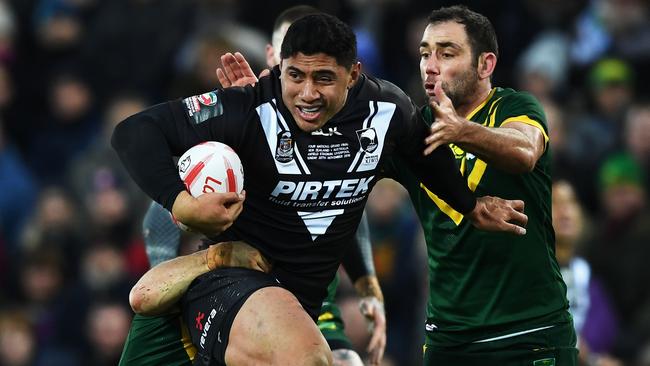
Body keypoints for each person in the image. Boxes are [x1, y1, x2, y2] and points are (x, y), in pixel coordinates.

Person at [113, 13, 527, 366]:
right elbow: (135, 132)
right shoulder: (249, 106)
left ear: (354, 74)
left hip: (298, 305)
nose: (308, 94)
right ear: (280, 70)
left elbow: (424, 155)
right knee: (309, 358)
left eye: (324, 78)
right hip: (233, 281)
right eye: (295, 76)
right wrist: (183, 203)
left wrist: (470, 205)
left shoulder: (387, 112)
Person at [217, 6, 577, 365]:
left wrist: (461, 130)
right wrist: (262, 118)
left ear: (485, 65)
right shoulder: (406, 129)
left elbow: (526, 150)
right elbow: (315, 170)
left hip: (531, 330)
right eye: (425, 54)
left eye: (447, 53)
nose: (430, 65)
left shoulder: (515, 106)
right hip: (449, 337)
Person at [218, 6, 383, 365]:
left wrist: (367, 284)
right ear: (272, 56)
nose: (307, 82)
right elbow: (169, 213)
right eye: (291, 59)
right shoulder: (237, 116)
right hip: (245, 294)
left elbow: (343, 208)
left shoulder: (348, 128)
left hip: (315, 300)